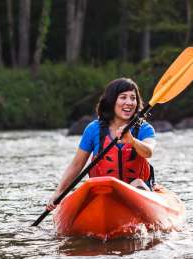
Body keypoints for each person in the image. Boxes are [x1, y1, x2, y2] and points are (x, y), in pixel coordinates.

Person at [46, 78, 157, 211]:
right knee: (93, 189)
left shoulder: (144, 129)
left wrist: (132, 141)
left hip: (135, 191)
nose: (129, 102)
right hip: (103, 193)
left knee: (138, 182)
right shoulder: (93, 129)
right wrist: (59, 192)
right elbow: (77, 164)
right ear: (111, 101)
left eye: (133, 98)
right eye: (123, 97)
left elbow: (148, 151)